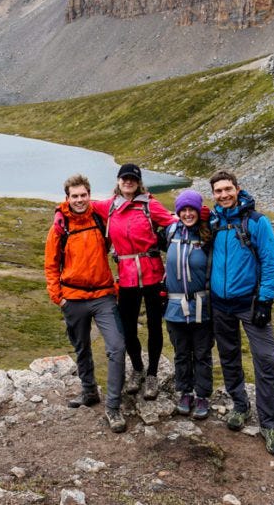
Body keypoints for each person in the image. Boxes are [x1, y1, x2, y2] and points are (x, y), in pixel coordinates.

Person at [208, 169, 274, 456]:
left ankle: (269, 424)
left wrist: (265, 301)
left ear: (238, 189)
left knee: (265, 361)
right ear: (213, 194)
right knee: (228, 358)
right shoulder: (213, 222)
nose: (224, 194)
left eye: (228, 189)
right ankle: (240, 405)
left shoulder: (256, 221)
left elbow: (271, 261)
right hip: (220, 304)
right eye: (218, 191)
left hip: (250, 304)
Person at [44, 174, 127, 433]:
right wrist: (59, 297)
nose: (80, 200)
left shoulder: (100, 217)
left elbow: (118, 243)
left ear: (89, 195)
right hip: (74, 298)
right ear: (67, 198)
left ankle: (113, 407)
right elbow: (50, 264)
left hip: (103, 296)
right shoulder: (60, 225)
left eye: (83, 195)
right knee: (82, 348)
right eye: (75, 196)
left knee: (116, 347)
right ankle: (89, 391)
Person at [94, 163, 176, 400]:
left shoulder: (150, 205)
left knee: (154, 326)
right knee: (128, 328)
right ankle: (137, 369)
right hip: (127, 278)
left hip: (152, 275)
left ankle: (152, 375)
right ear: (118, 181)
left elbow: (175, 223)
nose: (128, 182)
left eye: (132, 179)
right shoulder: (109, 206)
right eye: (124, 178)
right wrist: (62, 209)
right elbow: (83, 206)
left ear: (139, 182)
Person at [163, 189, 214, 420]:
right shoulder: (170, 231)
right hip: (174, 308)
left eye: (191, 209)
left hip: (203, 307)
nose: (186, 213)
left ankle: (202, 395)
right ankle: (185, 392)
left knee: (202, 354)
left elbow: (218, 218)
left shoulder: (208, 234)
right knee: (181, 353)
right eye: (182, 209)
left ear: (197, 210)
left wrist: (207, 213)